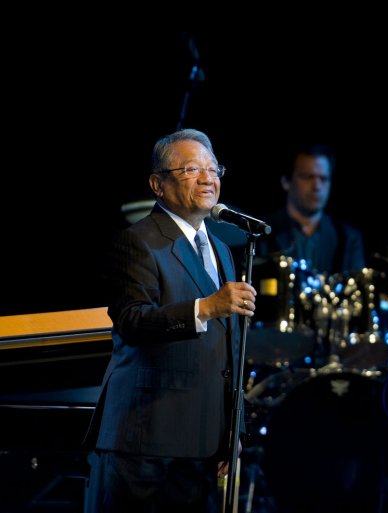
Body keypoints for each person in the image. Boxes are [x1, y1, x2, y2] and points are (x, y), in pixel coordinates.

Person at [84, 128, 258, 513]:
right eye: (191, 169)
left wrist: (234, 430)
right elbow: (132, 321)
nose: (207, 178)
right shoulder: (138, 241)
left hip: (204, 444)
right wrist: (205, 308)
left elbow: (228, 350)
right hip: (146, 444)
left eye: (213, 169)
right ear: (157, 184)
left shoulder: (222, 250)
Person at [254, 142, 366, 275]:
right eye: (308, 177)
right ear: (286, 182)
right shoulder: (260, 231)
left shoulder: (348, 238)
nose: (317, 186)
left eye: (323, 178)